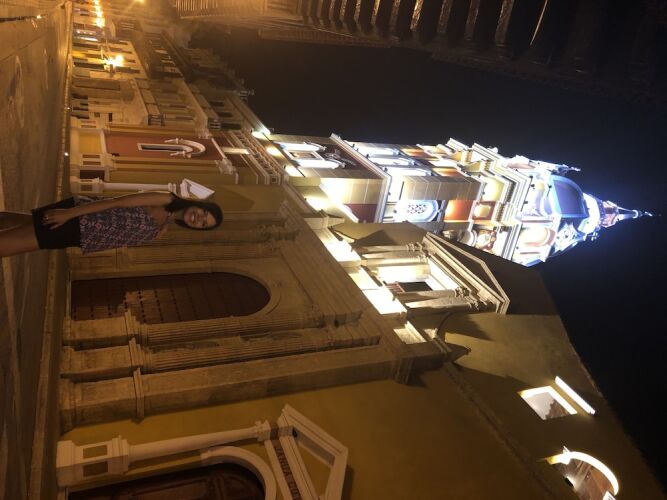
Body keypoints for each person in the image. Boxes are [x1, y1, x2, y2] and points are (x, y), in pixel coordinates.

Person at [0, 191, 223, 258]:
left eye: (203, 224)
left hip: (80, 236)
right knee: (7, 245)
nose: (199, 219)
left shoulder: (164, 226)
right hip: (78, 219)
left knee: (21, 222)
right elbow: (117, 202)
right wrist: (69, 213)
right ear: (199, 204)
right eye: (204, 213)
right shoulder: (165, 200)